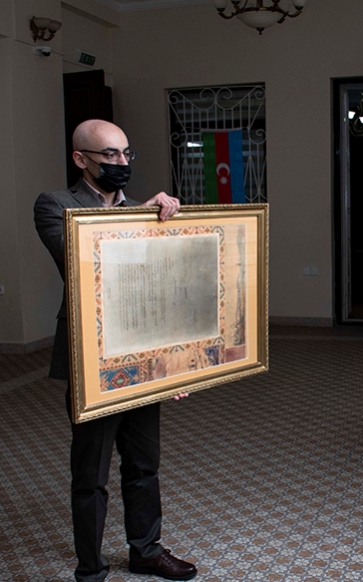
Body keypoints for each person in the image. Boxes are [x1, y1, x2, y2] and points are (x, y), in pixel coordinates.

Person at [34, 119, 197, 582]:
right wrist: (141, 217)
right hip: (93, 360)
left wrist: (176, 365)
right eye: (110, 155)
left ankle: (146, 550)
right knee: (92, 472)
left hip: (144, 355)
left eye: (127, 154)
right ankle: (91, 569)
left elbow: (164, 284)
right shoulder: (55, 205)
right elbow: (85, 258)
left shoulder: (149, 213)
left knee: (145, 464)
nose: (121, 163)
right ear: (80, 159)